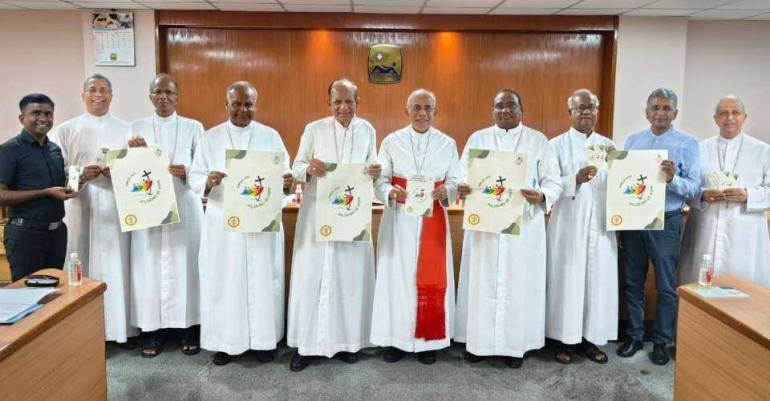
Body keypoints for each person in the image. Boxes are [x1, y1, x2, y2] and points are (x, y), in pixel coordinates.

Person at [454, 89, 562, 368]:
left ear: (521, 109)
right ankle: (478, 344)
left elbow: (554, 181)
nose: (505, 110)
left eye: (511, 105)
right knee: (482, 281)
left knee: (518, 284)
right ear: (492, 110)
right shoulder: (478, 139)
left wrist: (542, 195)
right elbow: (460, 174)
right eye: (499, 105)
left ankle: (515, 347)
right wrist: (461, 186)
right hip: (485, 228)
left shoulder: (538, 141)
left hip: (522, 228)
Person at [189, 81, 292, 366]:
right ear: (227, 105)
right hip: (224, 223)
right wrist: (207, 182)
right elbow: (194, 177)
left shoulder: (270, 136)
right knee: (226, 279)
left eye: (248, 104)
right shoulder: (210, 138)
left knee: (263, 279)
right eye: (237, 104)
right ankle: (226, 342)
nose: (243, 110)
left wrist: (286, 180)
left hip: (261, 222)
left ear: (255, 105)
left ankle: (264, 341)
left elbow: (285, 173)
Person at [287, 78, 380, 372]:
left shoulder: (368, 130)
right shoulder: (314, 129)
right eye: (337, 101)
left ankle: (347, 343)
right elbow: (296, 167)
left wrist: (376, 171)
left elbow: (374, 166)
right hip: (317, 215)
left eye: (349, 101)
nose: (343, 107)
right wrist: (308, 169)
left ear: (357, 102)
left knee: (349, 280)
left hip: (352, 217)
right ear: (329, 102)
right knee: (311, 277)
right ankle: (306, 346)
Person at [371, 89, 461, 365]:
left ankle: (427, 341)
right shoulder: (391, 141)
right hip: (399, 220)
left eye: (428, 108)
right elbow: (380, 180)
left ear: (435, 111)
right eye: (417, 107)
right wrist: (390, 191)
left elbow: (456, 180)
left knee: (430, 278)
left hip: (432, 218)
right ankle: (396, 340)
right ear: (406, 110)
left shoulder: (447, 143)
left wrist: (447, 190)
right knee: (397, 278)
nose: (422, 113)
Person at [50, 74, 137, 348]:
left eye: (104, 90)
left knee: (117, 263)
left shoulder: (127, 129)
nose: (98, 94)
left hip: (114, 203)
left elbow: (136, 170)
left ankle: (120, 330)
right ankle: (82, 331)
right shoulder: (65, 130)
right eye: (92, 89)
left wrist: (118, 171)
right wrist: (80, 174)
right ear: (83, 95)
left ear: (112, 95)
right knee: (79, 260)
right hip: (80, 202)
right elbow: (55, 170)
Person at [616, 88, 700, 366]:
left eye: (666, 108)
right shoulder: (633, 141)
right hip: (634, 220)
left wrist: (673, 179)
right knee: (632, 282)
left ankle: (662, 341)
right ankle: (635, 336)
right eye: (655, 108)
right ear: (646, 112)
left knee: (665, 286)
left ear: (675, 113)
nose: (660, 113)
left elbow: (694, 189)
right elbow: (624, 184)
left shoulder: (688, 144)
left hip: (667, 220)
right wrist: (619, 220)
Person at [128, 74, 205, 357]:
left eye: (169, 92)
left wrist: (187, 171)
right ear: (150, 96)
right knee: (150, 267)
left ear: (177, 96)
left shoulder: (194, 127)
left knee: (186, 266)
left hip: (184, 204)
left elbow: (203, 167)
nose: (163, 97)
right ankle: (153, 331)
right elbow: (125, 170)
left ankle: (189, 329)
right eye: (158, 92)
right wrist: (134, 155)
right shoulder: (135, 128)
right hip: (148, 207)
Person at [545, 89, 617, 365]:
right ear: (570, 113)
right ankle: (563, 339)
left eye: (591, 107)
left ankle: (590, 339)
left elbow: (618, 187)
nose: (586, 112)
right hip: (568, 223)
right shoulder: (555, 145)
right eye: (580, 108)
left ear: (597, 111)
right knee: (567, 280)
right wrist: (574, 179)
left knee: (596, 281)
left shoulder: (609, 146)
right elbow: (550, 184)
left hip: (600, 224)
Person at [680, 95, 770, 288]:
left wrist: (748, 195)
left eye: (735, 112)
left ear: (745, 117)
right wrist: (703, 195)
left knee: (743, 286)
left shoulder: (763, 151)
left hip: (744, 231)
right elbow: (686, 187)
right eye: (723, 113)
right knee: (700, 284)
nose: (729, 118)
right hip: (706, 226)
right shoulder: (699, 149)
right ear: (715, 118)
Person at [0, 94, 75, 281]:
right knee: (27, 292)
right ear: (22, 118)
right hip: (25, 234)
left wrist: (81, 179)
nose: (43, 118)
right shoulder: (9, 150)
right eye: (36, 113)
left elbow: (59, 186)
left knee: (54, 292)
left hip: (57, 233)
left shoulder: (55, 150)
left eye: (48, 114)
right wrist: (44, 193)